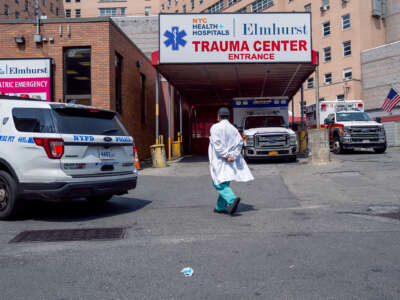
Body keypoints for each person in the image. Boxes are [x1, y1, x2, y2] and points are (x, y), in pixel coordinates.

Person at [208, 107, 254, 215]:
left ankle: (232, 200)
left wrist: (226, 155)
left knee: (218, 183)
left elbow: (217, 144)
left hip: (219, 160)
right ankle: (220, 207)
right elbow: (240, 143)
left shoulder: (215, 127)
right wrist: (233, 155)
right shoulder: (233, 129)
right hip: (230, 161)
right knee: (225, 183)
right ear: (228, 116)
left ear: (218, 116)